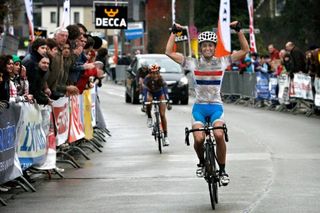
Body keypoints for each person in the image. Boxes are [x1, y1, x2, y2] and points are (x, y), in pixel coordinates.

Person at [165, 21, 249, 185]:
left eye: (210, 46)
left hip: (216, 107)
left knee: (218, 134)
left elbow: (245, 50)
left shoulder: (222, 61)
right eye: (204, 46)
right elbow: (168, 52)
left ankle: (223, 170)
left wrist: (238, 30)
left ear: (214, 47)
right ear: (200, 48)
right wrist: (174, 32)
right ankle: (202, 162)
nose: (207, 49)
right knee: (198, 139)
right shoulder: (193, 63)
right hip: (200, 108)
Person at [143, 63, 171, 146]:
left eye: (156, 73)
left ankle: (165, 137)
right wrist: (145, 102)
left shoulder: (161, 79)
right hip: (150, 92)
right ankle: (149, 117)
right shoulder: (147, 79)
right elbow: (145, 90)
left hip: (160, 93)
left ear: (159, 73)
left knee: (162, 115)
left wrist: (167, 101)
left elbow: (165, 90)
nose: (155, 75)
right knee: (149, 100)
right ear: (149, 73)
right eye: (152, 73)